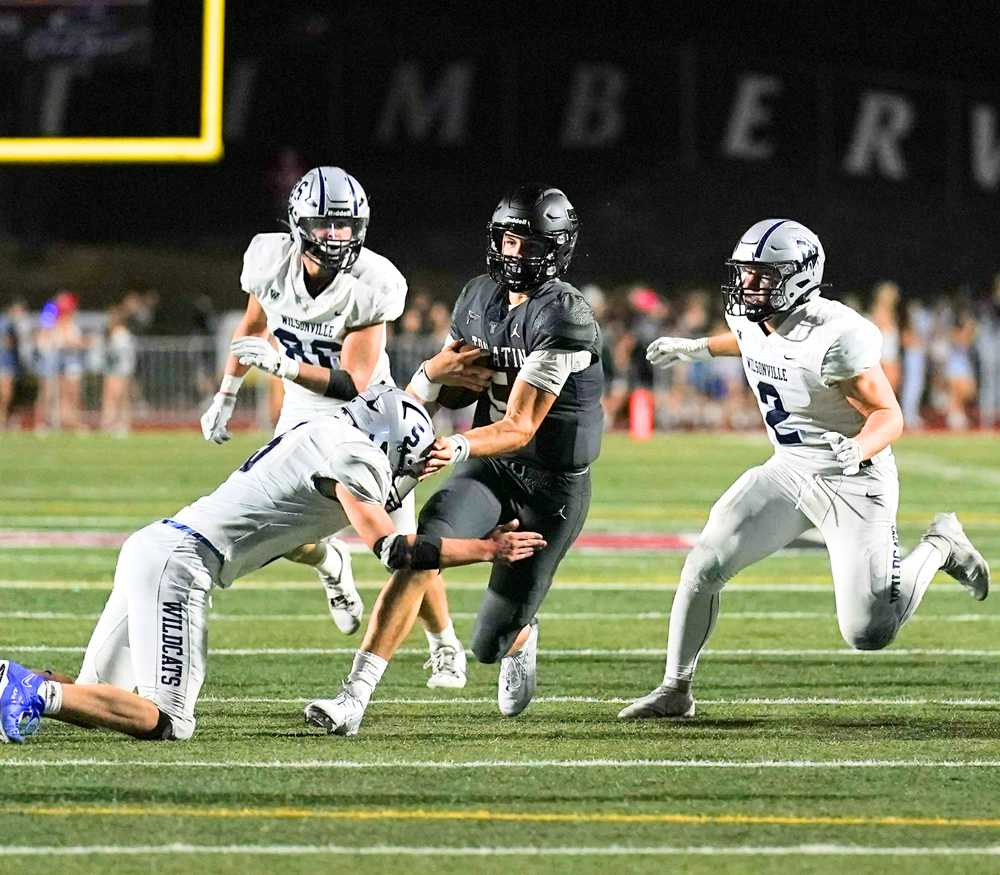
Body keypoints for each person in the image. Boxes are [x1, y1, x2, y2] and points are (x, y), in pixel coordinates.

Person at [0, 387, 545, 744]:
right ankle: (29, 689)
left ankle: (12, 684)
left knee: (97, 696)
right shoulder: (355, 459)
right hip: (182, 563)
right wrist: (488, 549)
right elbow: (394, 552)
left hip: (155, 544)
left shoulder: (328, 430)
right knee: (168, 720)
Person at [620, 219, 991, 721]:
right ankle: (675, 688)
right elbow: (749, 339)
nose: (747, 285)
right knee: (704, 563)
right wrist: (696, 347)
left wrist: (858, 448)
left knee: (868, 631)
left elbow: (889, 415)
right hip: (790, 468)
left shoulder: (836, 336)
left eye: (761, 275)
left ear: (798, 276)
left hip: (853, 478)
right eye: (745, 273)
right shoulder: (754, 314)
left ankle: (941, 544)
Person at [304, 184, 604, 737]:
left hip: (551, 486)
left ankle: (519, 635)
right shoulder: (478, 298)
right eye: (507, 239)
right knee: (420, 554)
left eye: (527, 242)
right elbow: (458, 389)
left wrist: (457, 444)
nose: (512, 252)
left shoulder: (566, 316)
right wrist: (432, 387)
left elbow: (520, 425)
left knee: (489, 641)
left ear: (557, 247)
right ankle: (354, 695)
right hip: (490, 469)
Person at [201, 167, 489, 688]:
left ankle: (444, 644)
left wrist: (283, 367)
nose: (337, 235)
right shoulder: (268, 259)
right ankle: (330, 561)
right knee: (282, 531)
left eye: (345, 224)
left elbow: (354, 381)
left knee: (404, 543)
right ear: (299, 222)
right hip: (300, 414)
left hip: (371, 419)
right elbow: (252, 326)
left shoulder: (373, 281)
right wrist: (226, 393)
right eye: (325, 224)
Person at [99, 305, 136, 436]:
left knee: (117, 397)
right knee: (113, 397)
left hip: (119, 370)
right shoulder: (116, 334)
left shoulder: (121, 334)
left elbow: (119, 355)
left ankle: (119, 424)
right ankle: (112, 423)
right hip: (116, 369)